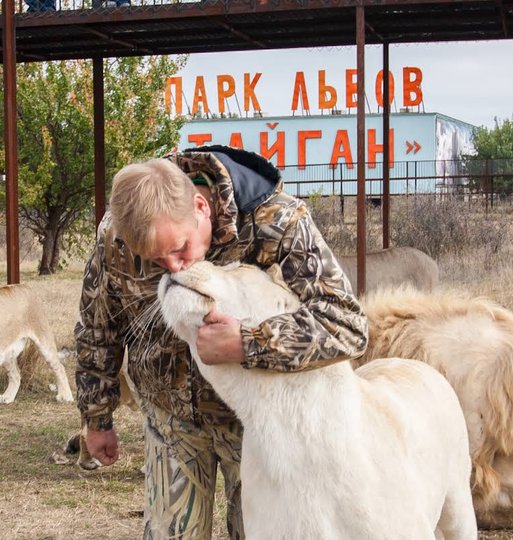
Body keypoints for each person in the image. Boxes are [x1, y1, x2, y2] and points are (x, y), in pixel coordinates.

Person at [75, 146, 367, 540]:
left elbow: (346, 325)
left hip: (253, 426)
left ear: (201, 205)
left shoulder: (276, 221)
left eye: (179, 249)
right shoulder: (119, 232)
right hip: (170, 417)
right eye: (156, 262)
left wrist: (248, 344)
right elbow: (98, 326)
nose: (174, 268)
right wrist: (97, 418)